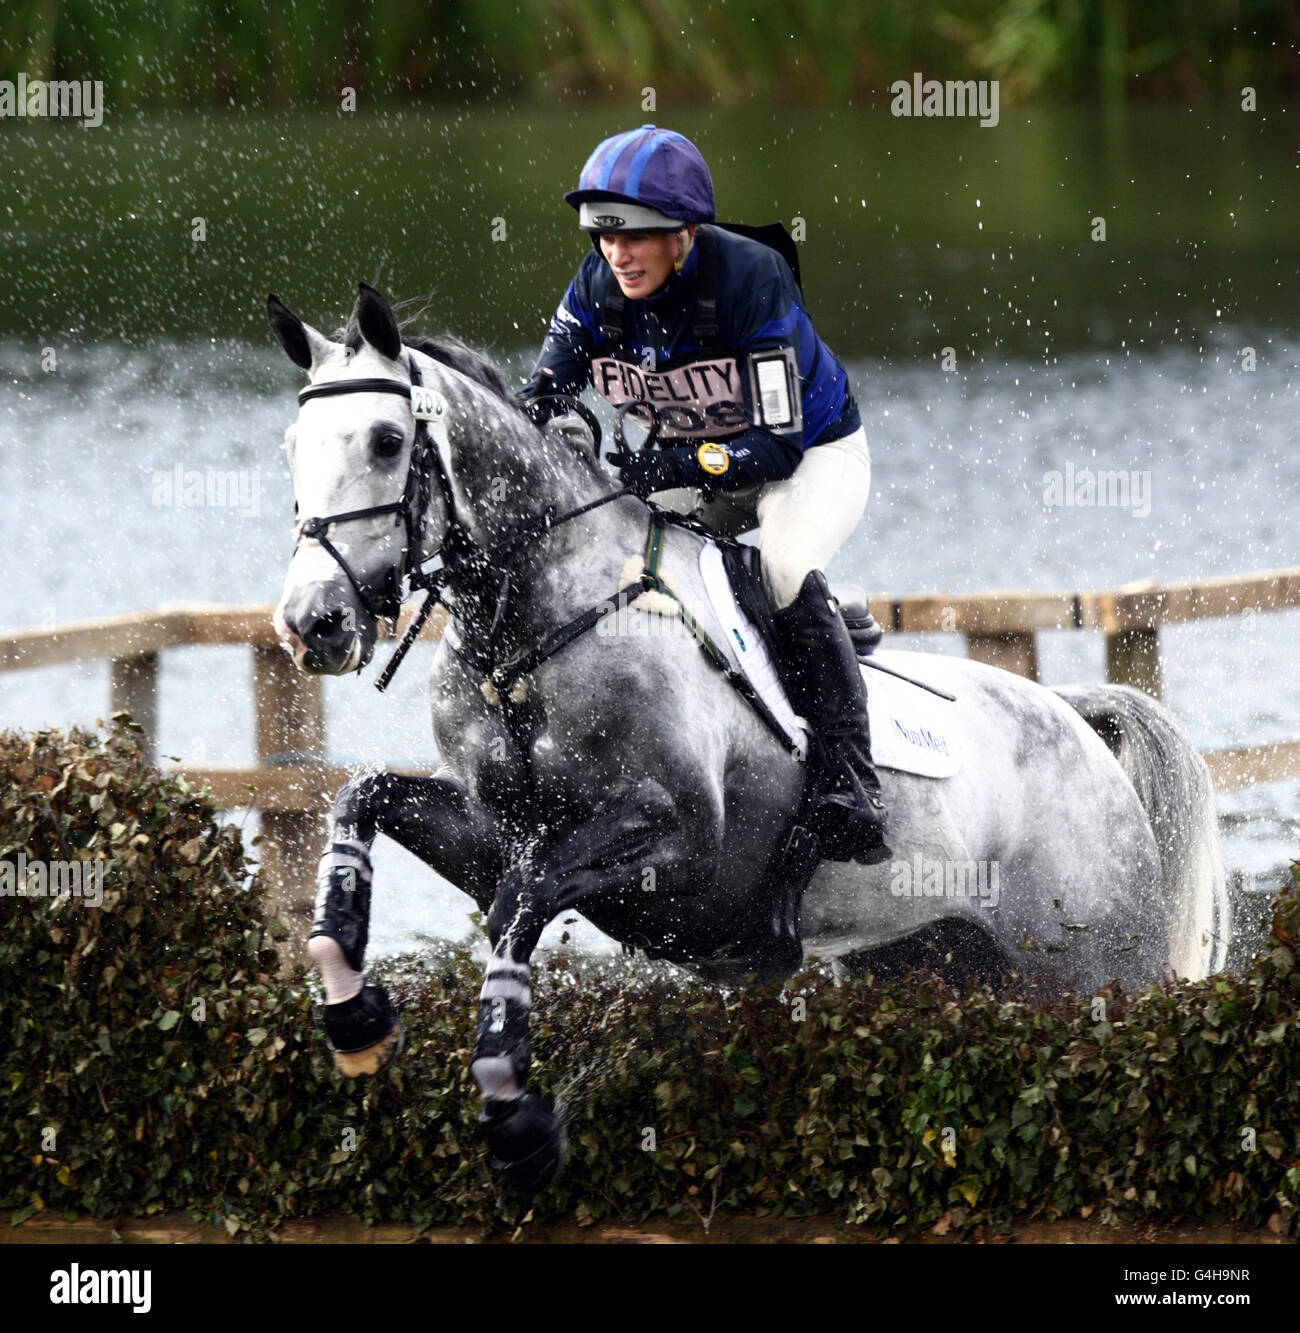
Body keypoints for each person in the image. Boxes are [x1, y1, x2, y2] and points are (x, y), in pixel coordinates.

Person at [519, 125, 886, 864]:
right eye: (602, 237)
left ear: (684, 234)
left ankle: (853, 783)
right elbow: (535, 399)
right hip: (697, 468)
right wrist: (566, 428)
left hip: (809, 457)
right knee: (620, 560)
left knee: (781, 566)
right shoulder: (596, 288)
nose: (615, 255)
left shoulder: (751, 278)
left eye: (635, 238)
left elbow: (778, 444)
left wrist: (672, 464)